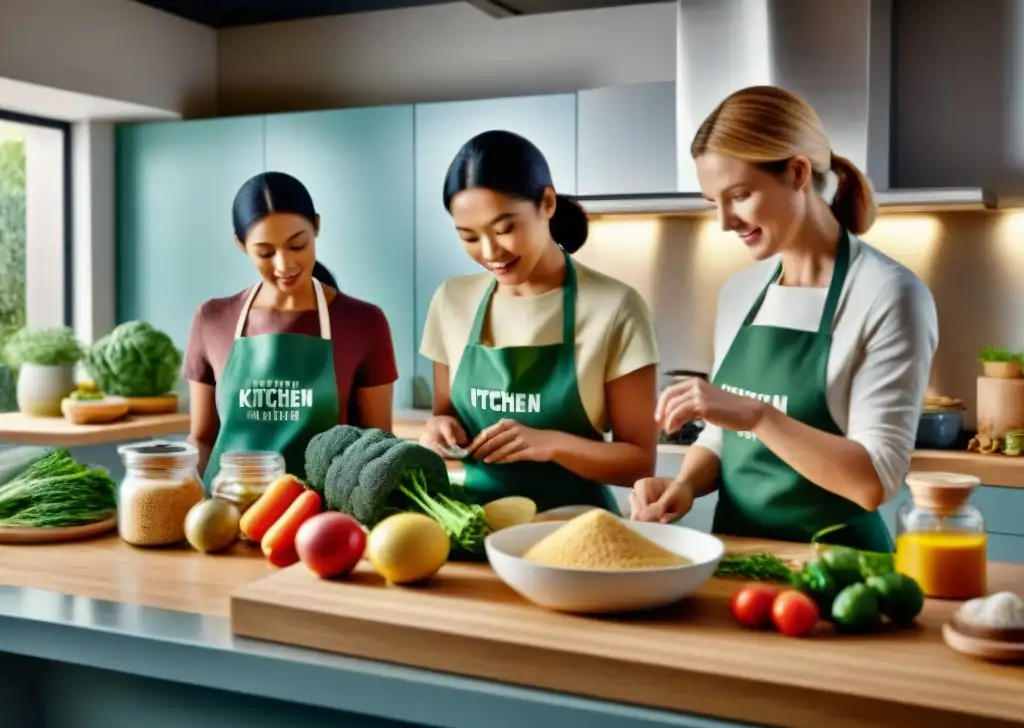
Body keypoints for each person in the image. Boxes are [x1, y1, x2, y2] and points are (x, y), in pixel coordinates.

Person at [630, 85, 938, 552]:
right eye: (714, 202)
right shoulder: (740, 292)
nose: (724, 222)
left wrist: (757, 416)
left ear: (796, 172)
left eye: (739, 195)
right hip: (737, 562)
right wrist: (686, 484)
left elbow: (873, 479)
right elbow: (721, 435)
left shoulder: (888, 294)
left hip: (840, 574)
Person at [418, 130, 660, 513]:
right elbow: (444, 413)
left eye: (505, 229)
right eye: (469, 237)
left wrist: (550, 444)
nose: (490, 252)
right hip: (476, 524)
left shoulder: (615, 307)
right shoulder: (451, 301)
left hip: (578, 530)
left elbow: (639, 463)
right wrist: (437, 429)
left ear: (546, 203)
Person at [184, 171, 398, 484]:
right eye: (265, 252)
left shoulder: (364, 322)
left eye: (297, 245)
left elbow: (376, 449)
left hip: (318, 520)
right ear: (242, 245)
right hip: (226, 513)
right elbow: (202, 439)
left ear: (317, 226)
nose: (283, 265)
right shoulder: (211, 319)